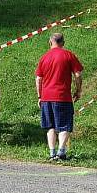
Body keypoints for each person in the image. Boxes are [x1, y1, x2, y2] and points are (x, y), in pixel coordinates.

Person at [35, 33, 83, 161]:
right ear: (63, 43)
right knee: (65, 125)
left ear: (50, 42)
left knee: (50, 126)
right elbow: (77, 75)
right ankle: (61, 151)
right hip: (63, 97)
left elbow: (38, 79)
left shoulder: (44, 57)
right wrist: (78, 91)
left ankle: (52, 153)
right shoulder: (68, 55)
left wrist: (40, 96)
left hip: (46, 97)